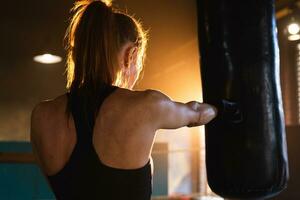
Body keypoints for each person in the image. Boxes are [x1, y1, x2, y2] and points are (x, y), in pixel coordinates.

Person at [30, 0, 218, 199]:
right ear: (131, 55)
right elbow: (197, 114)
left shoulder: (41, 116)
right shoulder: (147, 105)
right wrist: (222, 108)